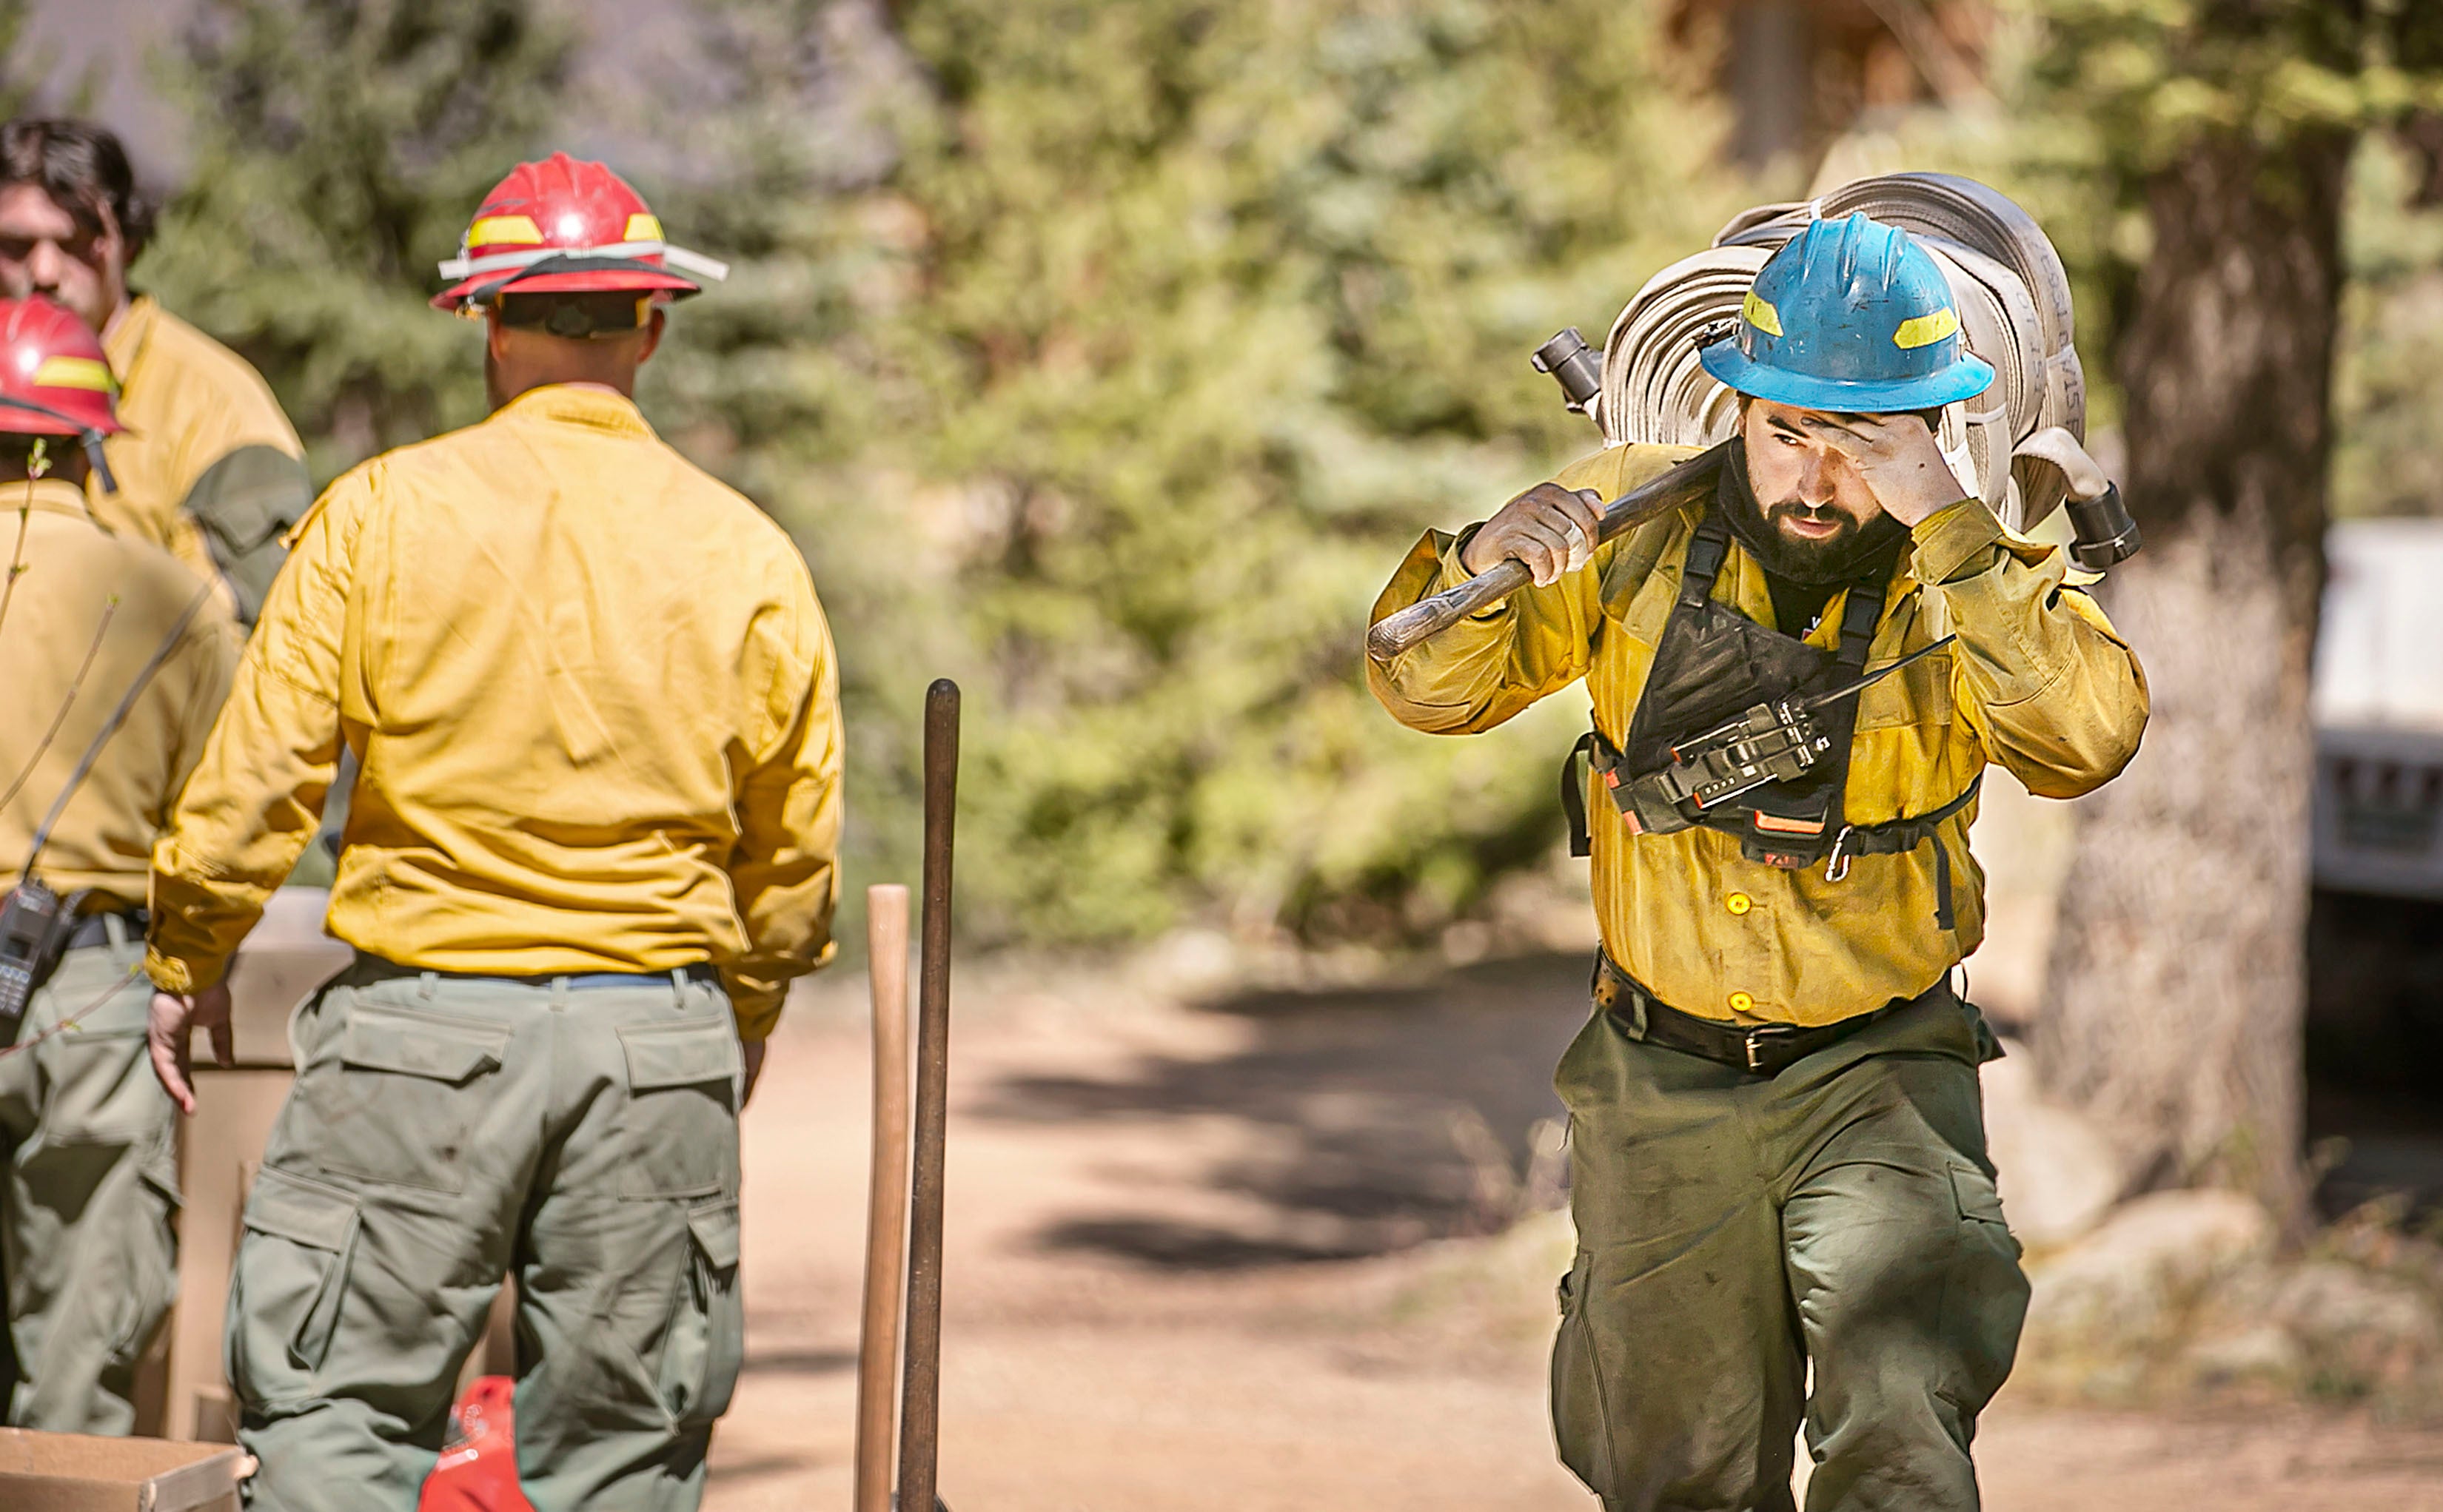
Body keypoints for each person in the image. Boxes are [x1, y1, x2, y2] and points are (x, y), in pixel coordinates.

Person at [1367, 213, 2149, 1511]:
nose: (1816, 475)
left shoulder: (1968, 567)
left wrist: (1948, 520)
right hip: (1658, 1071)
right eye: (1789, 430)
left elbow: (2087, 739)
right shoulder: (1626, 524)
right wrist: (1486, 560)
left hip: (1881, 1068)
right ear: (1733, 401)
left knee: (1900, 1436)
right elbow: (1424, 687)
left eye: (1862, 442)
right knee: (1673, 1466)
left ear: (1931, 429)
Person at [141, 152, 842, 1511]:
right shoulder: (748, 550)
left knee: (336, 1424)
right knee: (629, 1460)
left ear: (486, 321)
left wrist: (189, 953)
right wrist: (738, 1013)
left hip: (420, 1044)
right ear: (652, 322)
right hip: (657, 1044)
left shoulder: (381, 516)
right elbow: (794, 845)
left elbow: (259, 780)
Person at [0, 295, 240, 1431]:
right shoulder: (181, 600)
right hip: (93, 996)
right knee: (74, 1365)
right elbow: (229, 813)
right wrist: (197, 962)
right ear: (94, 443)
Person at [0, 118, 312, 622]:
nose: (44, 273)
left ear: (125, 239)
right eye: (16, 246)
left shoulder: (218, 407)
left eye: (75, 242)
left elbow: (230, 651)